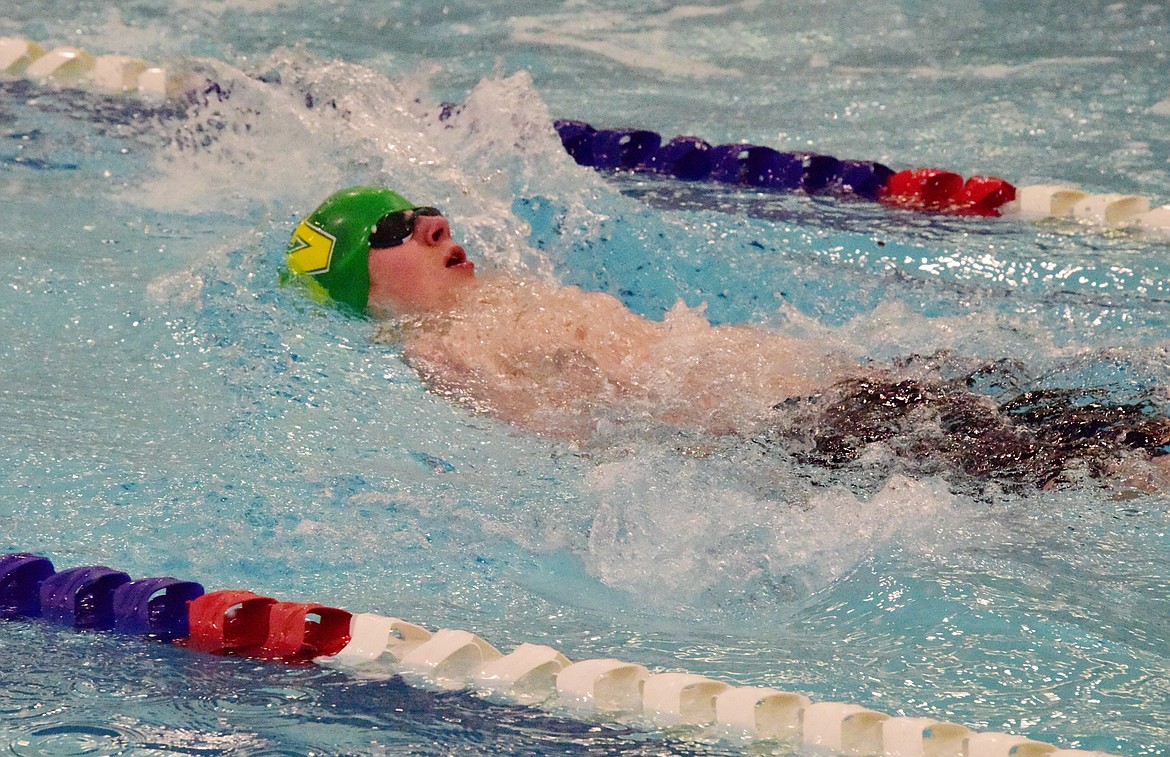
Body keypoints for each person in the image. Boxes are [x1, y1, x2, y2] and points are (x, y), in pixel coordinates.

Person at [287, 186, 1170, 491]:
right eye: (398, 225)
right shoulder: (443, 355)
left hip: (851, 381)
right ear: (362, 283)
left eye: (426, 207)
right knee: (1114, 464)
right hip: (808, 421)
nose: (436, 221)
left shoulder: (506, 292)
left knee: (1101, 420)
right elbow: (575, 442)